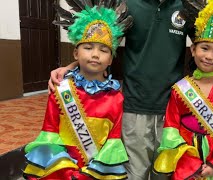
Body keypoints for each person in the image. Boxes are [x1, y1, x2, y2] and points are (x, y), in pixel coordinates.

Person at [48, 0, 213, 179]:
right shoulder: (128, 5)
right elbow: (101, 43)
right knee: (135, 173)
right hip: (134, 107)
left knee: (166, 172)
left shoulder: (186, 6)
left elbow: (208, 45)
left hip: (174, 112)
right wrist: (70, 67)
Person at [23, 2, 133, 179]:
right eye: (88, 48)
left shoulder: (116, 97)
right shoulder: (60, 89)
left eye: (104, 50)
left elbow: (113, 140)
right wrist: (66, 171)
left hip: (96, 172)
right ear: (75, 53)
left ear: (111, 59)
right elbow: (49, 132)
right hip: (62, 169)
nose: (95, 54)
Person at [153, 0, 213, 179]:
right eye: (204, 48)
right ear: (193, 49)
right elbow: (171, 129)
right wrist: (190, 165)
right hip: (187, 160)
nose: (208, 56)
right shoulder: (179, 89)